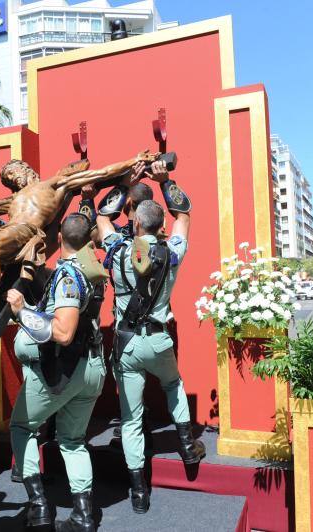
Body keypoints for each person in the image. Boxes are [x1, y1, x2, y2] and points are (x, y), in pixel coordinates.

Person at [95, 159, 204, 514]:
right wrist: (166, 179)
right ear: (159, 226)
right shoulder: (171, 252)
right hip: (159, 340)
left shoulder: (116, 249)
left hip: (126, 344)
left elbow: (102, 217)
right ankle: (188, 448)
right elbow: (184, 216)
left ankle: (139, 491)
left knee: (130, 419)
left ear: (136, 222)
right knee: (173, 386)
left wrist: (126, 184)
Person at [0, 150, 159, 333]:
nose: (13, 178)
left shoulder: (55, 183)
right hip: (9, 231)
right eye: (9, 178)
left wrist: (135, 160)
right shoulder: (14, 199)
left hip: (26, 231)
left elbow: (102, 173)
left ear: (26, 169)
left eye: (13, 172)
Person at [6, 213, 106, 531]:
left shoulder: (67, 276)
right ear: (88, 241)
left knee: (21, 428)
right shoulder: (89, 272)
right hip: (91, 366)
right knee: (73, 440)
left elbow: (63, 332)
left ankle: (39, 507)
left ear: (59, 240)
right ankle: (84, 515)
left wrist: (21, 311)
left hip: (66, 370)